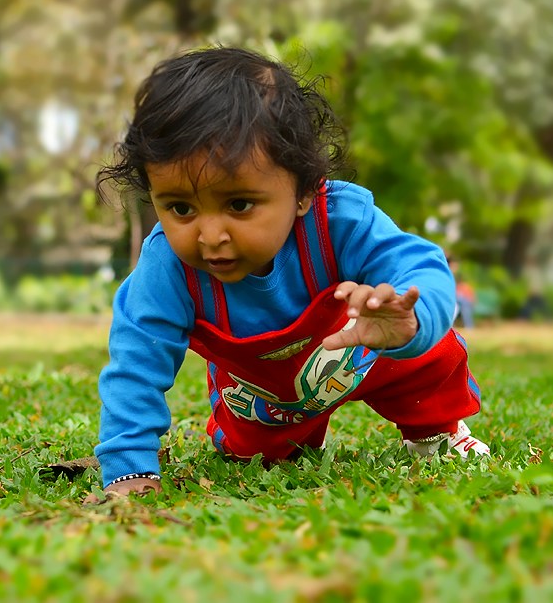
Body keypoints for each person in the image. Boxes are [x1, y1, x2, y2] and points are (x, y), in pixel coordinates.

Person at [93, 47, 489, 500]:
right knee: (257, 460)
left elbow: (419, 265)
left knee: (425, 356)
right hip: (267, 395)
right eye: (180, 207)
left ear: (303, 191)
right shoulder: (167, 267)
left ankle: (436, 432)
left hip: (367, 351)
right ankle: (280, 440)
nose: (210, 235)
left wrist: (410, 319)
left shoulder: (340, 221)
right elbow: (135, 365)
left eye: (238, 204)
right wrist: (129, 470)